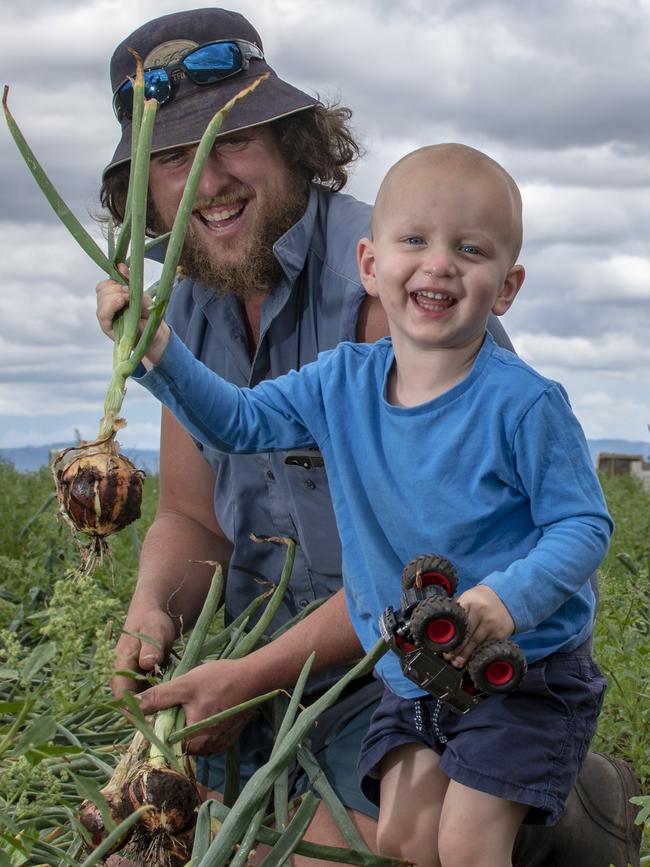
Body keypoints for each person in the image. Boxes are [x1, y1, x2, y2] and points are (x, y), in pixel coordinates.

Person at [100, 9, 641, 866]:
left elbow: (442, 565)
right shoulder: (188, 292)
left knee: (336, 850)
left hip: (408, 647)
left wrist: (249, 678)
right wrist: (151, 613)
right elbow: (194, 518)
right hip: (264, 661)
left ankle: (570, 808)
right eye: (172, 158)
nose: (206, 181)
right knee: (156, 820)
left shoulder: (407, 274)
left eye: (228, 142)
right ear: (145, 187)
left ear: (287, 140)